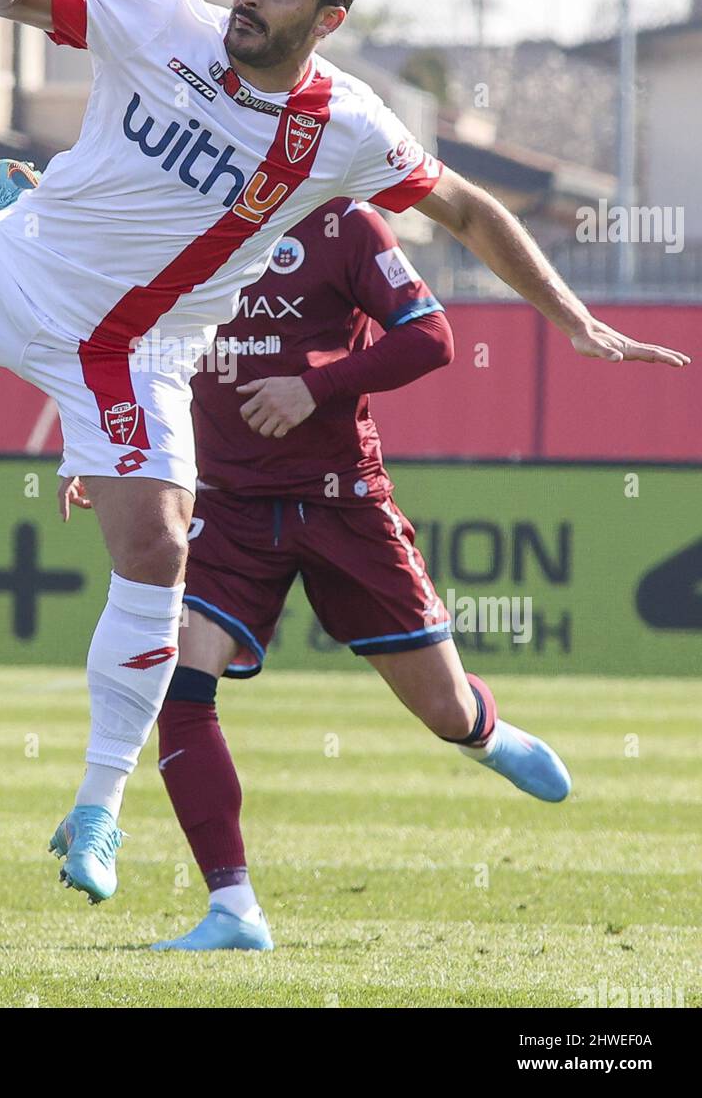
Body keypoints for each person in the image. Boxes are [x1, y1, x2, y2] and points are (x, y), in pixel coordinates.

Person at [0, 0, 688, 902]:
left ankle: (96, 810)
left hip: (126, 352)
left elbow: (470, 210)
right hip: (12, 267)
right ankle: (21, 203)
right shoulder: (160, 19)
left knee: (157, 549)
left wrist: (571, 320)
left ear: (327, 18)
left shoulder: (344, 130)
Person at [66, 198, 570, 951]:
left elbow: (431, 337)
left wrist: (315, 385)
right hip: (227, 504)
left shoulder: (343, 223)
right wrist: (104, 456)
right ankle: (232, 908)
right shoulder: (174, 211)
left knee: (441, 709)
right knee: (178, 671)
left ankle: (481, 735)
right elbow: (126, 341)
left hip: (342, 503)